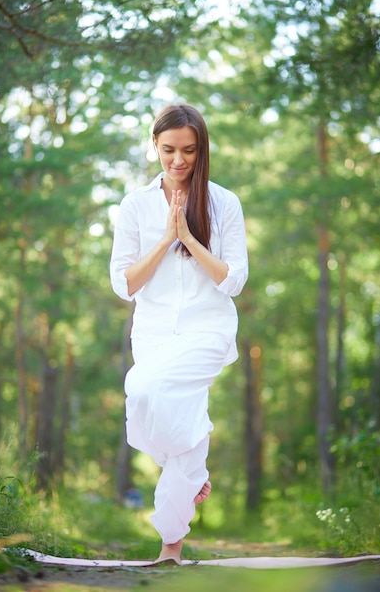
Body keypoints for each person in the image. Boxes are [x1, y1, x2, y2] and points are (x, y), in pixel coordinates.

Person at [110, 103, 248, 564]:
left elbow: (233, 280)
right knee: (154, 407)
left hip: (208, 332)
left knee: (143, 387)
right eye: (168, 149)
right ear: (154, 146)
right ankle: (184, 497)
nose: (178, 160)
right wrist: (165, 239)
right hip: (153, 335)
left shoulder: (224, 203)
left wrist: (188, 238)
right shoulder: (134, 205)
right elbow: (124, 283)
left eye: (188, 150)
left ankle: (174, 527)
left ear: (201, 149)